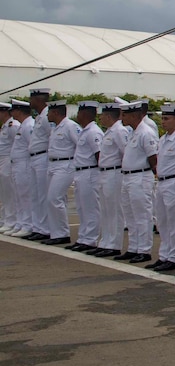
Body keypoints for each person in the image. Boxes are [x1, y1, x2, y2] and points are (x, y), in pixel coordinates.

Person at [149, 104, 175, 272]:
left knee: (174, 222)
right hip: (162, 182)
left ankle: (174, 257)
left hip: (174, 182)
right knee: (163, 221)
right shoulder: (164, 138)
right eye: (162, 119)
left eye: (166, 119)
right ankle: (164, 255)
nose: (163, 122)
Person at [117, 100, 159, 263]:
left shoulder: (145, 133)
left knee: (142, 215)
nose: (122, 117)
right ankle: (134, 247)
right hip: (128, 177)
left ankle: (144, 249)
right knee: (131, 214)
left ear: (134, 116)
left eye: (125, 114)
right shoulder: (133, 132)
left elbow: (153, 158)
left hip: (140, 177)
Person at [91, 102, 128, 257]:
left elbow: (125, 153)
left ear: (108, 116)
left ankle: (114, 244)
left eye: (102, 116)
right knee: (106, 210)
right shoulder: (109, 131)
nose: (100, 118)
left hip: (114, 172)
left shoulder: (119, 130)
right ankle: (105, 241)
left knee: (114, 211)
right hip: (104, 173)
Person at [42, 99, 81, 245]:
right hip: (53, 164)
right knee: (54, 199)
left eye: (49, 113)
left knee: (54, 198)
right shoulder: (55, 127)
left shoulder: (70, 126)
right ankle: (56, 232)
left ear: (56, 113)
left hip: (65, 164)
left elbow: (81, 145)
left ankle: (62, 233)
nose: (47, 116)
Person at [68, 102, 104, 253]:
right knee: (82, 207)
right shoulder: (85, 131)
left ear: (85, 114)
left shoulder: (93, 132)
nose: (77, 115)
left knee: (91, 207)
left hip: (90, 172)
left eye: (80, 112)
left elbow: (99, 155)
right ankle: (83, 237)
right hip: (81, 172)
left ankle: (90, 239)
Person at [26, 88, 54, 240]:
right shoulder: (39, 117)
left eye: (32, 98)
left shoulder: (47, 116)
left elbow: (53, 137)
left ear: (39, 100)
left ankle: (44, 228)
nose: (30, 102)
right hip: (35, 159)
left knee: (43, 194)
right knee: (36, 194)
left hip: (43, 158)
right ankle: (38, 227)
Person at [7, 100, 36, 239]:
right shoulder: (23, 125)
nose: (11, 113)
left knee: (25, 195)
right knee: (19, 195)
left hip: (24, 164)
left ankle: (27, 225)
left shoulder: (29, 125)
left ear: (19, 110)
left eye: (13, 110)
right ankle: (20, 223)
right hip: (17, 164)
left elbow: (32, 146)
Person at [0, 103, 18, 236]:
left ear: (4, 112)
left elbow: (17, 144)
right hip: (3, 160)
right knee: (4, 194)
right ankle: (4, 219)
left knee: (10, 193)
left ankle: (11, 221)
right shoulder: (5, 126)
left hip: (8, 160)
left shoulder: (13, 126)